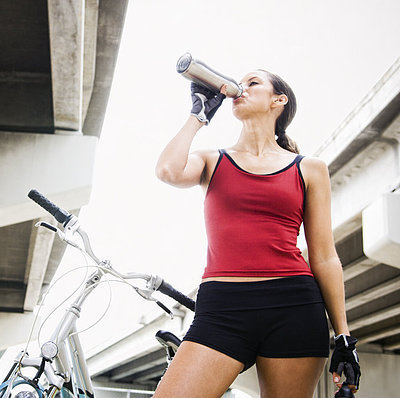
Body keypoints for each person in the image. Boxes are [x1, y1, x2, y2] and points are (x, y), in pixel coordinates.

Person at [154, 70, 361, 398]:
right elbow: (168, 170)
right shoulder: (213, 160)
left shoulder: (309, 169)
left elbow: (323, 255)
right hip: (222, 308)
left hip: (293, 306)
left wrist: (344, 337)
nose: (242, 88)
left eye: (253, 83)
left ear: (278, 100)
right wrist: (199, 115)